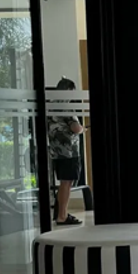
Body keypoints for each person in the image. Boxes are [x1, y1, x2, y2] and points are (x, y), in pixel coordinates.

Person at [48, 77, 84, 226]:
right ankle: (62, 216)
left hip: (56, 151)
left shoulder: (51, 106)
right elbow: (75, 128)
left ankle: (60, 213)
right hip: (69, 152)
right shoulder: (65, 107)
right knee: (67, 183)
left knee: (64, 182)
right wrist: (82, 129)